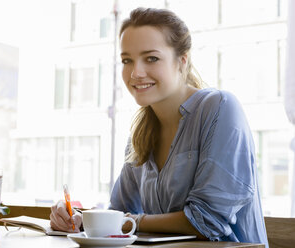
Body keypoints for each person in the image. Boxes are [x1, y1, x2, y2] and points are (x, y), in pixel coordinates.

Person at [50, 7, 269, 247]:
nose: (136, 73)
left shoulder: (219, 108)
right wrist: (81, 219)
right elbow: (119, 214)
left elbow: (207, 221)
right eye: (127, 60)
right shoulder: (140, 133)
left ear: (182, 61)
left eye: (151, 58)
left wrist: (130, 221)